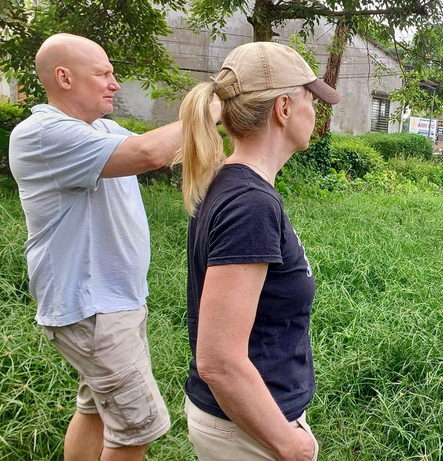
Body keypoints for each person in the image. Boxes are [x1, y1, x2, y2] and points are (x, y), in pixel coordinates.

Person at [8, 33, 181, 460]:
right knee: (135, 429)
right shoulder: (43, 134)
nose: (114, 83)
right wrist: (211, 104)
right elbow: (150, 153)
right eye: (103, 73)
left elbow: (164, 148)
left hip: (113, 301)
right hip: (93, 308)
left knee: (96, 410)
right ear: (64, 78)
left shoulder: (99, 128)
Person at [176, 42, 340, 461]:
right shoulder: (251, 203)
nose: (315, 113)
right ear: (284, 108)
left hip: (242, 421)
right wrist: (290, 445)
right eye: (311, 100)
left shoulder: (230, 184)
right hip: (249, 431)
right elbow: (218, 360)